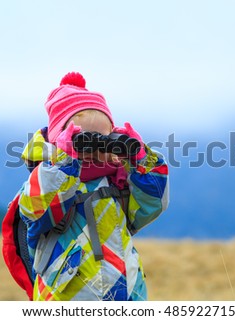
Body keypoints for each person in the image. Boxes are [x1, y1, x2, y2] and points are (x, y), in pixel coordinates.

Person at [18, 71, 169, 301]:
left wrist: (141, 159)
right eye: (85, 139)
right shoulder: (44, 179)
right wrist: (64, 161)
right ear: (60, 140)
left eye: (105, 138)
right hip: (64, 297)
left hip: (125, 293)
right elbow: (35, 210)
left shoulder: (118, 182)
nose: (97, 147)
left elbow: (155, 203)